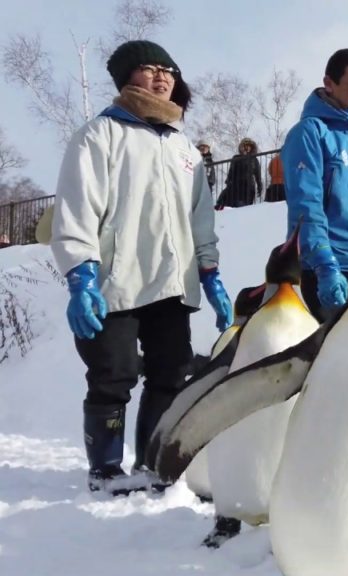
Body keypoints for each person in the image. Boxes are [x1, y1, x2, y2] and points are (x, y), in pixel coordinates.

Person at [49, 40, 232, 495]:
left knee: (170, 373)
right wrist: (81, 276)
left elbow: (200, 217)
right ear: (127, 76)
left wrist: (209, 273)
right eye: (151, 69)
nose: (163, 77)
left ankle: (152, 464)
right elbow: (77, 211)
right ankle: (106, 469)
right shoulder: (99, 136)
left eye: (168, 69)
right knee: (113, 375)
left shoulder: (185, 148)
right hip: (116, 283)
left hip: (172, 285)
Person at [280, 48, 348, 323]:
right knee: (339, 360)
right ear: (329, 83)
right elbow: (306, 204)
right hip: (330, 269)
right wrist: (324, 264)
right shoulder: (310, 133)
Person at [217, 137, 262, 208]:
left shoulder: (254, 159)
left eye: (249, 146)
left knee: (245, 208)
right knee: (234, 205)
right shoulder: (236, 158)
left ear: (251, 148)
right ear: (242, 147)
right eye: (245, 146)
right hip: (236, 187)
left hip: (248, 188)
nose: (247, 148)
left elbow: (258, 175)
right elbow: (231, 172)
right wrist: (229, 182)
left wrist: (260, 186)